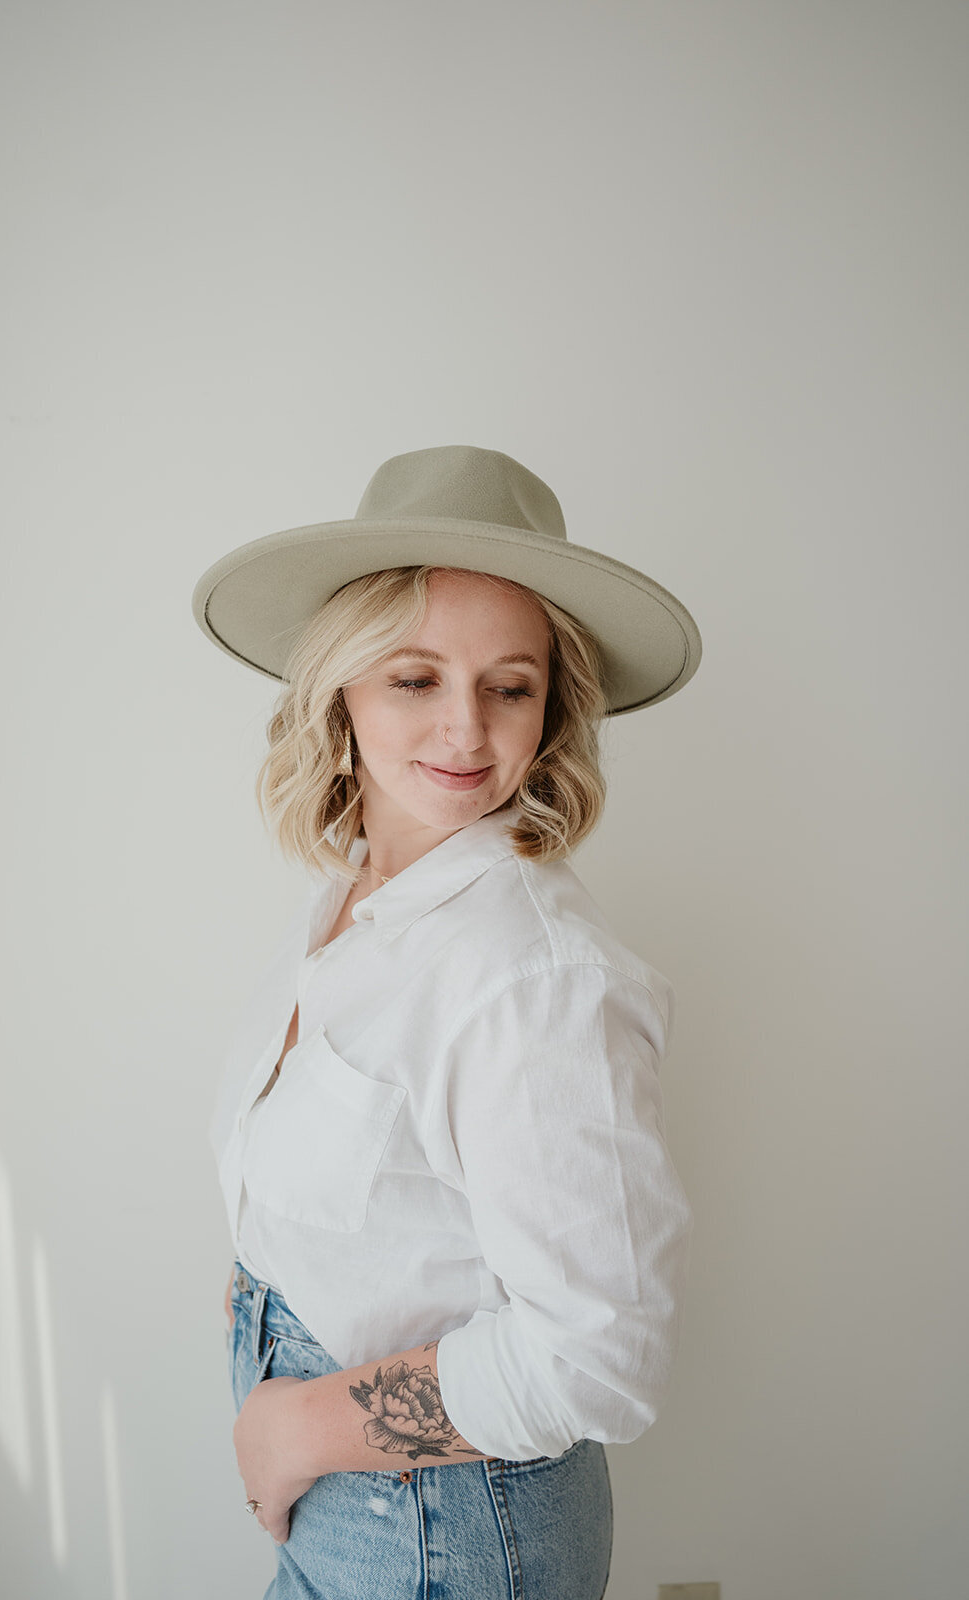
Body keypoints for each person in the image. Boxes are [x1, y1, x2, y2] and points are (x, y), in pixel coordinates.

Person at [191, 444, 701, 1600]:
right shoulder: (350, 899)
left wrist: (301, 1427)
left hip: (445, 1537)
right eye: (414, 677)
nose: (464, 731)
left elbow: (600, 1359)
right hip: (364, 1515)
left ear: (550, 705)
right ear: (342, 688)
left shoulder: (536, 973)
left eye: (508, 685)